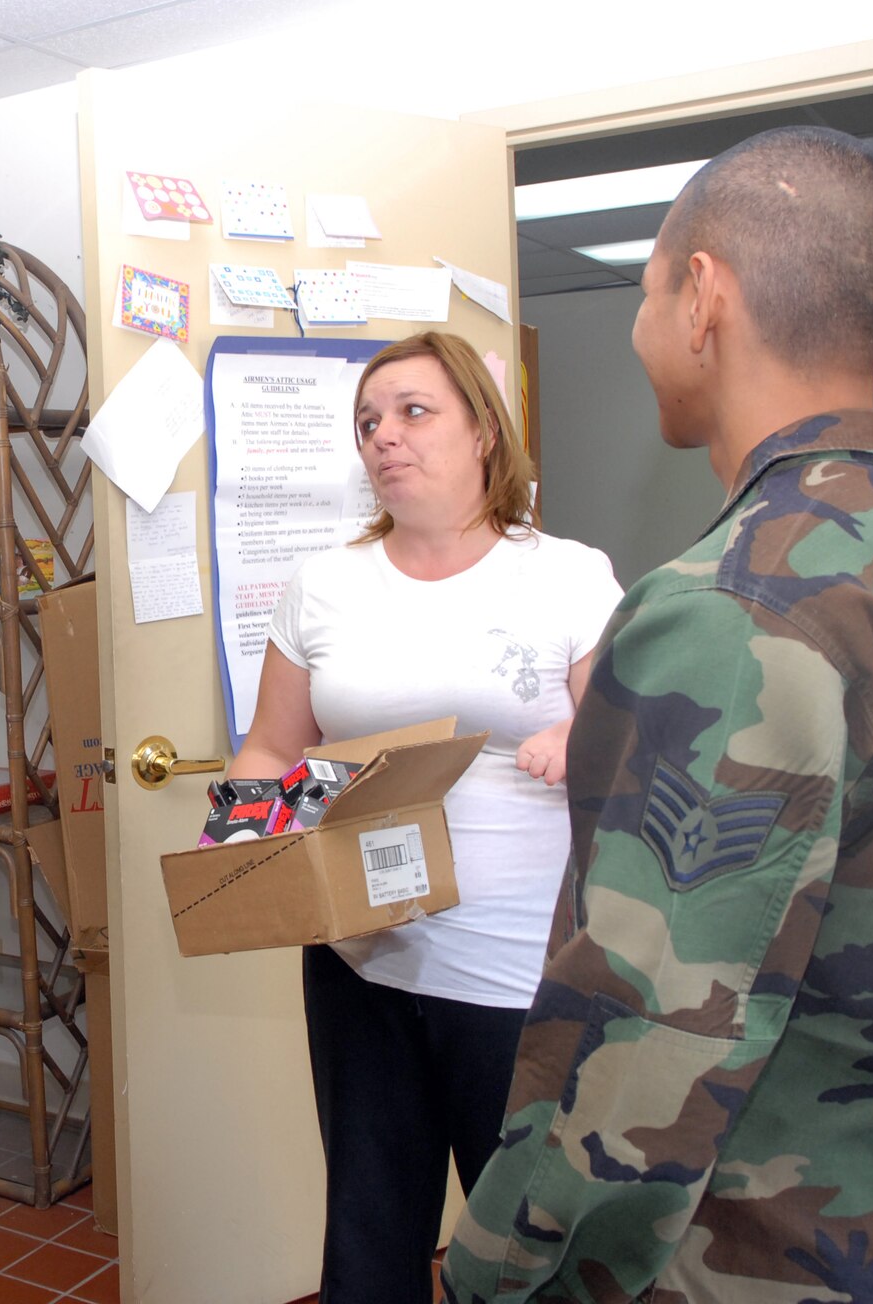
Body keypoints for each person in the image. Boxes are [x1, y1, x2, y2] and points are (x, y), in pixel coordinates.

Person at [442, 128, 873, 1303]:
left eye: (644, 291)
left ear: (701, 296)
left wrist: (497, 1267)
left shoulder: (729, 608)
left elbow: (649, 1041)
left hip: (750, 1261)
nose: (636, 328)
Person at [226, 330, 621, 1303]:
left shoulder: (567, 575)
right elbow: (270, 750)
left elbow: (636, 739)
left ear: (483, 431)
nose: (383, 436)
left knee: (525, 1249)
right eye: (368, 422)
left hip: (519, 973)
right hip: (361, 962)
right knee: (368, 1241)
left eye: (412, 411)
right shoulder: (324, 585)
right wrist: (242, 852)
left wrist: (582, 737)